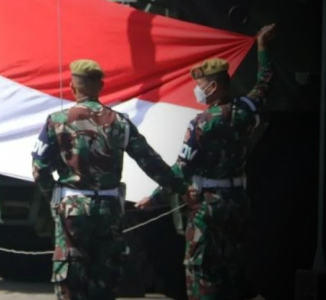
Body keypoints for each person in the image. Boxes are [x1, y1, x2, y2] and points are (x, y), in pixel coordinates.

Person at [136, 24, 276, 300]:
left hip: (207, 206)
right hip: (237, 201)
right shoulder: (246, 110)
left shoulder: (201, 123)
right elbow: (265, 82)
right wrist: (262, 47)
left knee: (201, 269)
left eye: (199, 86)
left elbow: (180, 170)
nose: (197, 91)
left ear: (212, 86)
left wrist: (153, 199)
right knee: (231, 267)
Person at [32, 59, 188, 300]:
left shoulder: (56, 121)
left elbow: (39, 168)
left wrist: (54, 199)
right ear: (101, 86)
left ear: (73, 88)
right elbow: (151, 162)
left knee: (71, 278)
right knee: (105, 279)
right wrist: (180, 187)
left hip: (72, 210)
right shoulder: (120, 123)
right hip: (109, 210)